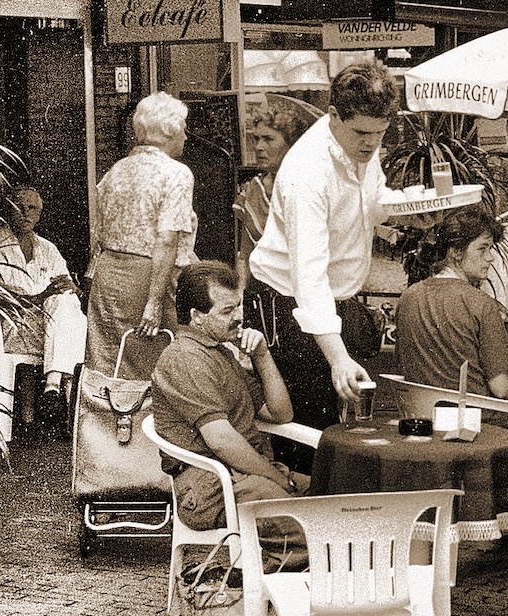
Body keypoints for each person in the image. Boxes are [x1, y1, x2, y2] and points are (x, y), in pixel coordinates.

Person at [247, 59, 400, 433]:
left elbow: (371, 201)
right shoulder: (307, 172)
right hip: (285, 300)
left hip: (333, 300)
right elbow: (308, 277)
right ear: (333, 115)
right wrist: (338, 358)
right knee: (305, 424)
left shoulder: (363, 144)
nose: (370, 143)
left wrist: (407, 216)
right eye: (361, 132)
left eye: (379, 133)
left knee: (337, 420)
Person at [150, 261, 306, 562]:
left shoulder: (220, 353)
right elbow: (221, 440)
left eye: (239, 306)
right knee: (311, 526)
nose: (239, 317)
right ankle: (269, 590)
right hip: (210, 486)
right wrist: (275, 476)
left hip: (243, 476)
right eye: (227, 311)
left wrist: (262, 356)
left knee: (333, 502)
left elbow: (280, 413)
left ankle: (283, 579)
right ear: (196, 316)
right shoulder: (185, 359)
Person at [90, 91, 197, 379]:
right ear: (169, 130)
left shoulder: (116, 170)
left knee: (108, 365)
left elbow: (99, 233)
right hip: (149, 279)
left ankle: (102, 424)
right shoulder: (176, 173)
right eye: (183, 129)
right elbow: (167, 239)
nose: (186, 136)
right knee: (157, 366)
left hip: (108, 278)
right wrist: (154, 301)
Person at [0, 182, 86, 427]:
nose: (26, 213)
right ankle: (56, 387)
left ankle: (52, 386)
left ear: (39, 214)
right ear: (8, 209)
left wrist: (71, 289)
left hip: (45, 327)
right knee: (69, 320)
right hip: (7, 326)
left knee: (66, 301)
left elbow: (64, 283)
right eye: (20, 207)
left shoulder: (47, 248)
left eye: (32, 208)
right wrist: (38, 298)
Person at [394, 207, 508, 401]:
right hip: (475, 420)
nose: (490, 257)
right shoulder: (481, 304)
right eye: (482, 248)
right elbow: (500, 388)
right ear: (455, 251)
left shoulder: (408, 297)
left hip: (420, 415)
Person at [234, 100, 309, 292]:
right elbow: (245, 255)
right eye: (256, 138)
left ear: (292, 143)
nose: (259, 146)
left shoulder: (308, 187)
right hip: (262, 292)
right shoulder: (253, 189)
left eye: (268, 139)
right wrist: (240, 298)